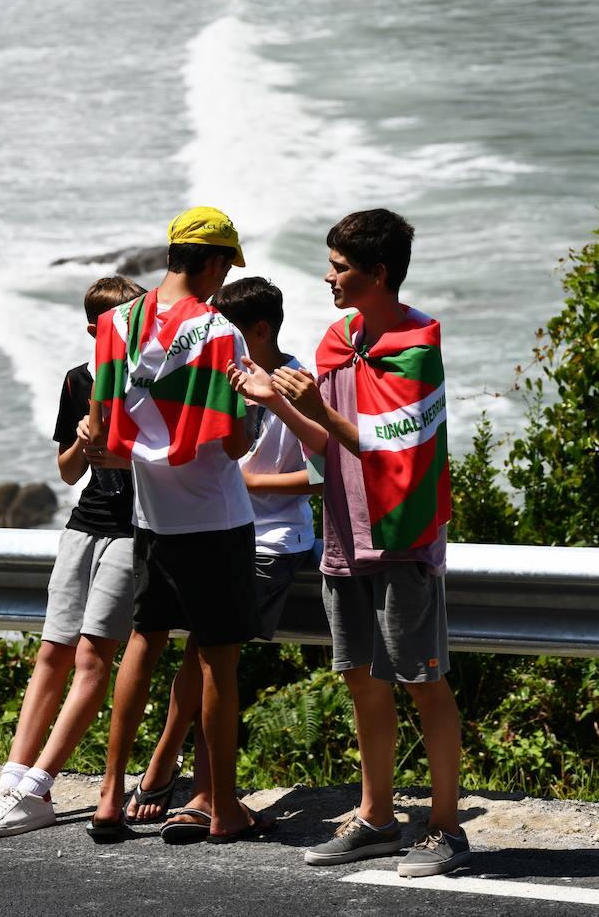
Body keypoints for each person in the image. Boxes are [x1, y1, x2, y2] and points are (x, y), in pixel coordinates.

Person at [229, 209, 468, 878]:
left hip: (402, 542)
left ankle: (447, 831)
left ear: (378, 273)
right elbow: (327, 448)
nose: (328, 277)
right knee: (360, 679)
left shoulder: (417, 347)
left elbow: (391, 445)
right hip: (344, 538)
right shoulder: (338, 341)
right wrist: (275, 400)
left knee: (424, 684)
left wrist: (318, 406)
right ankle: (377, 819)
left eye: (339, 267)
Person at [86, 207, 278, 844]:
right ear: (215, 261)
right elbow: (232, 446)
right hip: (216, 519)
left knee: (142, 644)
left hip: (151, 517)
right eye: (226, 265)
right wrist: (252, 404)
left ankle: (111, 797)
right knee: (219, 662)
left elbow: (107, 436)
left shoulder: (115, 323)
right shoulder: (219, 332)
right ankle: (223, 807)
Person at [125, 275, 322, 842]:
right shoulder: (216, 372)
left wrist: (252, 480)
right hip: (213, 532)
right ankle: (192, 786)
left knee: (211, 658)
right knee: (208, 655)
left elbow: (324, 472)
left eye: (230, 331)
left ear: (259, 330)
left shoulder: (294, 381)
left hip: (268, 542)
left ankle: (188, 784)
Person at [0, 274, 145, 839]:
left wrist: (120, 444)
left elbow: (172, 462)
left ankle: (37, 788)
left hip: (135, 532)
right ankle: (12, 778)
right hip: (85, 523)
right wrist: (85, 440)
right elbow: (66, 471)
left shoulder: (156, 382)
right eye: (124, 322)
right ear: (95, 329)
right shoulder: (79, 381)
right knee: (51, 654)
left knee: (91, 659)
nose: (136, 329)